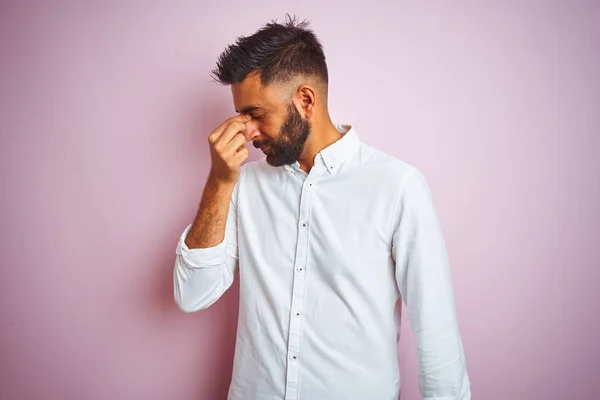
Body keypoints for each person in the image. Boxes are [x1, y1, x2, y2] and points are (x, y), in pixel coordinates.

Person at [173, 14, 471, 400]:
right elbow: (192, 294)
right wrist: (218, 182)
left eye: (256, 115)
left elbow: (437, 330)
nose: (247, 132)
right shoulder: (243, 185)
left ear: (305, 99)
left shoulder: (397, 187)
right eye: (241, 117)